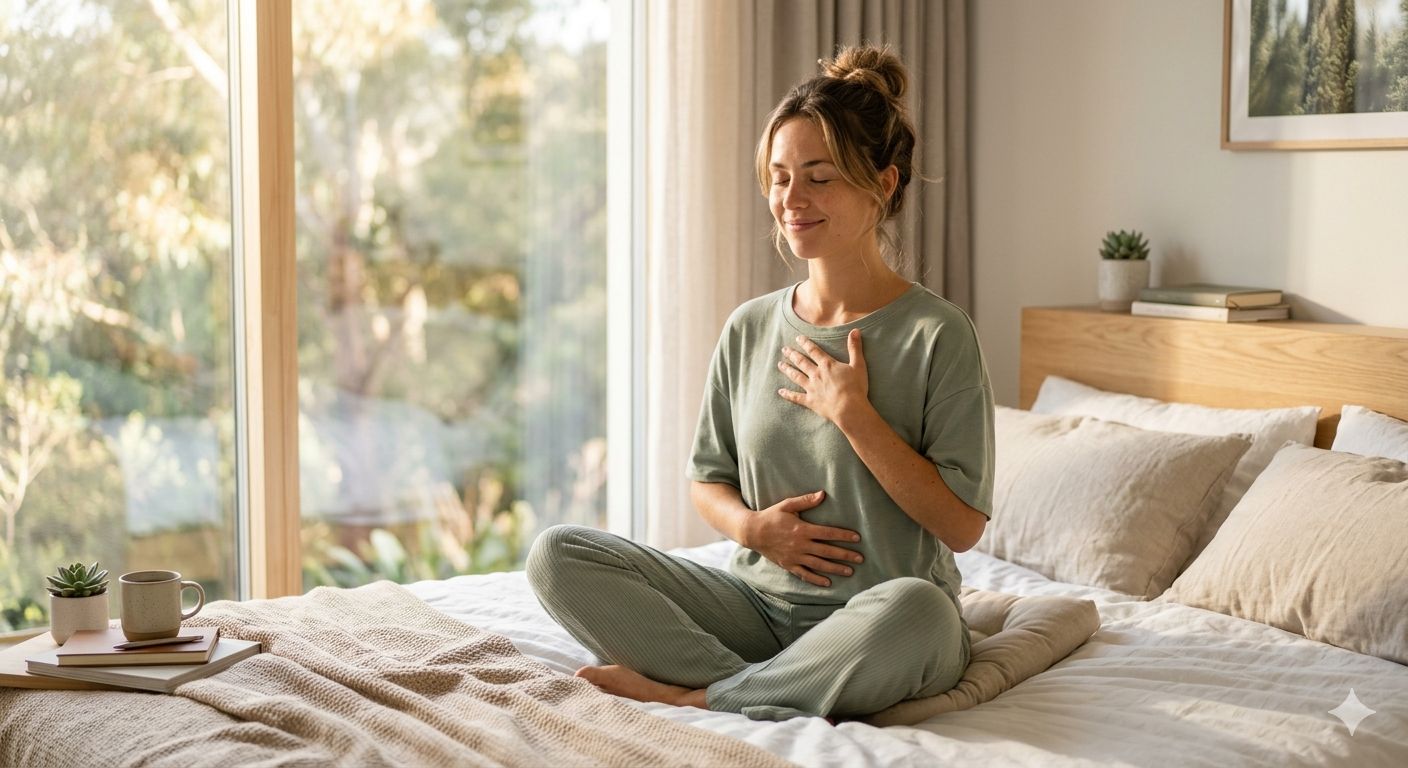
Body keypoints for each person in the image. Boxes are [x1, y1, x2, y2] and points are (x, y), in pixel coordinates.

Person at [527, 43, 995, 722]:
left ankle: (704, 694)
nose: (791, 200)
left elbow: (961, 526)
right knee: (556, 554)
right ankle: (783, 683)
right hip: (755, 608)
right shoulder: (750, 328)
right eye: (778, 177)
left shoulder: (937, 334)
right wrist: (753, 530)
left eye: (818, 177)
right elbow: (707, 481)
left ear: (883, 185)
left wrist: (855, 415)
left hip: (881, 614)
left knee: (920, 613)